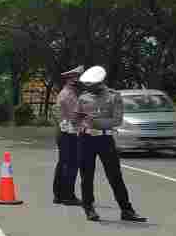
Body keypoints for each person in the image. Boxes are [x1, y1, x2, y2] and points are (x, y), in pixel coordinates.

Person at [75, 66, 147, 223]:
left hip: (105, 139)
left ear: (99, 82)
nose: (88, 86)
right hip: (86, 139)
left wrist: (95, 122)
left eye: (91, 83)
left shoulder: (114, 96)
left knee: (115, 176)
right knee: (86, 176)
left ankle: (127, 210)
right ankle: (89, 208)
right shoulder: (83, 98)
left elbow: (117, 120)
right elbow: (77, 118)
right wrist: (77, 121)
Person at [52, 65, 84, 206]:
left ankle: (59, 195)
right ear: (72, 80)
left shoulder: (66, 93)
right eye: (78, 79)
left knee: (63, 164)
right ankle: (68, 196)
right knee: (70, 165)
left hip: (65, 132)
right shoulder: (70, 95)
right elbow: (74, 116)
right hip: (69, 133)